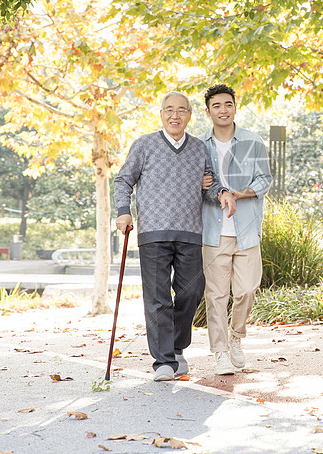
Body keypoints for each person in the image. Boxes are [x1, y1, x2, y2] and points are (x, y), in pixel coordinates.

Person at [114, 91, 236, 382]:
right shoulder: (144, 145)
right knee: (157, 297)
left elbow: (209, 185)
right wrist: (123, 211)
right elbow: (123, 179)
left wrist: (221, 193)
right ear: (161, 114)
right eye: (169, 110)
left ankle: (178, 348)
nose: (175, 116)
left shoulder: (197, 148)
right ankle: (164, 361)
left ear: (190, 115)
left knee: (191, 293)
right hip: (153, 232)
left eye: (181, 111)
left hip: (190, 231)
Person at [200, 84, 272, 375]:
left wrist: (237, 194)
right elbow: (193, 183)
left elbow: (264, 180)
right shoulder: (198, 145)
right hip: (212, 232)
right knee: (216, 295)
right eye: (216, 105)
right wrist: (204, 187)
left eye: (228, 104)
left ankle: (236, 336)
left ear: (235, 107)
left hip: (247, 228)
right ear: (208, 112)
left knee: (247, 289)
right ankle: (220, 352)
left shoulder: (253, 142)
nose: (223, 110)